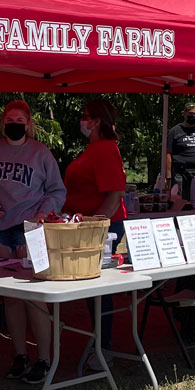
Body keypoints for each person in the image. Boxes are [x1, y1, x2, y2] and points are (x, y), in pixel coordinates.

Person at [0, 100, 66, 385]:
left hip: (29, 230)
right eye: (10, 119)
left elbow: (57, 191)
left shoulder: (40, 153)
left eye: (20, 120)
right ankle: (20, 354)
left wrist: (41, 214)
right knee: (10, 296)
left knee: (34, 295)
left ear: (29, 124)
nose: (14, 125)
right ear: (2, 123)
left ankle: (45, 359)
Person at [62, 99, 127, 370]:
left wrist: (94, 226)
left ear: (97, 121)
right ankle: (101, 344)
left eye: (86, 116)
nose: (82, 120)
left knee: (99, 290)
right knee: (94, 290)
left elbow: (114, 196)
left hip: (102, 227)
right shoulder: (95, 149)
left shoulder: (104, 149)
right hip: (87, 224)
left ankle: (104, 348)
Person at [165, 103, 195, 199]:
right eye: (191, 114)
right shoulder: (175, 131)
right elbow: (168, 153)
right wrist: (168, 176)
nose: (193, 116)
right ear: (184, 114)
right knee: (179, 199)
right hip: (181, 171)